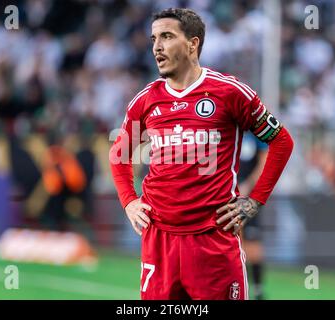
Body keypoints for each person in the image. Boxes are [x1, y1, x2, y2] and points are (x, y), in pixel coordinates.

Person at [110, 8, 294, 300]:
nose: (157, 46)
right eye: (154, 38)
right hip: (159, 240)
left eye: (167, 36)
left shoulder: (230, 93)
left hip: (212, 240)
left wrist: (254, 201)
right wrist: (129, 201)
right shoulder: (145, 100)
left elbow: (282, 142)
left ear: (193, 44)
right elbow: (119, 155)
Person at [238, 132, 268, 300]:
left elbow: (265, 160)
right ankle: (239, 287)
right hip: (227, 194)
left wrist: (249, 185)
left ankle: (257, 290)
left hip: (249, 197)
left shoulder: (256, 132)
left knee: (253, 246)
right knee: (233, 243)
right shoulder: (227, 126)